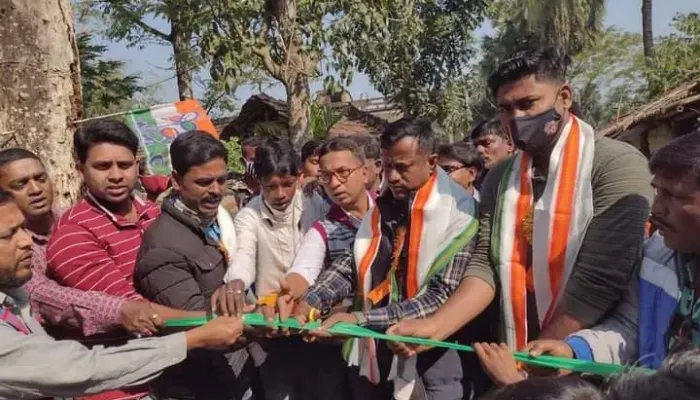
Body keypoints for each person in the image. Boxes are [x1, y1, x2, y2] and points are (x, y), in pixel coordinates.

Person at [389, 48, 653, 364]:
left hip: (589, 354)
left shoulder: (616, 165)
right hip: (514, 346)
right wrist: (435, 326)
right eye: (505, 109)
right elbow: (486, 263)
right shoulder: (500, 177)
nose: (516, 118)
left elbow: (600, 279)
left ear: (564, 97)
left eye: (528, 104)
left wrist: (537, 360)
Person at [293, 118, 481, 400]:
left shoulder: (460, 213)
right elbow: (354, 262)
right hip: (380, 346)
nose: (392, 177)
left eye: (402, 167)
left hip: (434, 355)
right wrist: (312, 300)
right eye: (387, 165)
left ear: (431, 162)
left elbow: (441, 296)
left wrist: (360, 319)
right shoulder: (386, 206)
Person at [0, 189, 246, 400]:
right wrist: (195, 337)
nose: (26, 241)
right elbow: (80, 367)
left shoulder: (14, 297)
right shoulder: (72, 234)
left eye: (23, 228)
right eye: (8, 235)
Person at [512, 132, 700, 372]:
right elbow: (630, 329)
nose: (656, 209)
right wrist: (573, 352)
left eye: (673, 195)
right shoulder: (657, 255)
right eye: (658, 192)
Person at [46, 120, 198, 399]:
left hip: (179, 372)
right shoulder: (72, 233)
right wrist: (216, 321)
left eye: (124, 165)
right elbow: (136, 312)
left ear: (137, 166)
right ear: (80, 169)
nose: (116, 175)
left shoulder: (155, 214)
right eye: (103, 166)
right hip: (122, 386)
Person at [0, 148, 171, 340]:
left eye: (41, 179)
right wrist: (122, 310)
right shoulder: (11, 248)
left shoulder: (81, 218)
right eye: (20, 184)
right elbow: (42, 295)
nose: (36, 190)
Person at [135, 131, 251, 399]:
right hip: (199, 384)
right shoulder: (162, 246)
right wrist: (265, 319)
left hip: (233, 373)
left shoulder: (218, 221)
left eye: (221, 180)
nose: (216, 190)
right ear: (177, 180)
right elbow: (197, 323)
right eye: (204, 182)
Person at [213, 137, 307, 400]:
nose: (280, 194)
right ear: (259, 183)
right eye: (271, 186)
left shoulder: (313, 206)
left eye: (287, 184)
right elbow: (244, 254)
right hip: (272, 325)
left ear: (299, 177)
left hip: (312, 317)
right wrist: (236, 282)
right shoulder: (249, 215)